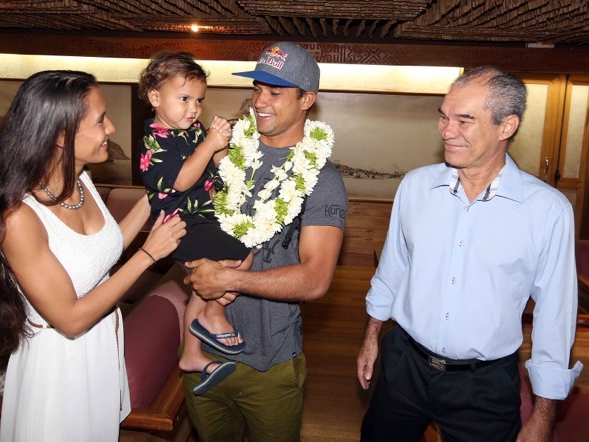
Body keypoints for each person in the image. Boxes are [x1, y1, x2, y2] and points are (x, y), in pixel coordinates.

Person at [357, 66, 583, 442]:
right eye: (444, 117)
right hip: (404, 365)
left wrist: (544, 414)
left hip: (485, 386)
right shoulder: (415, 187)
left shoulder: (547, 210)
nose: (447, 131)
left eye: (464, 120)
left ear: (506, 126)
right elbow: (394, 268)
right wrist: (371, 334)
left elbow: (555, 319)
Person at [0, 70, 187, 442]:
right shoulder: (18, 217)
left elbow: (107, 247)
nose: (111, 128)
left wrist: (162, 190)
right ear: (61, 136)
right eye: (100, 120)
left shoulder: (79, 179)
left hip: (99, 348)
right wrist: (149, 254)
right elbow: (69, 319)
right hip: (60, 366)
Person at [182, 42, 348, 442]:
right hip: (202, 355)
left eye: (275, 92)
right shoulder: (221, 154)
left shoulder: (324, 182)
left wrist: (229, 281)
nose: (260, 101)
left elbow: (315, 279)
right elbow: (177, 211)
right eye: (257, 89)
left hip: (270, 366)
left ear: (307, 99)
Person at [137, 51, 254, 395]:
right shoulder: (155, 139)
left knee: (201, 290)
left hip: (204, 218)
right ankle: (215, 314)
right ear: (155, 97)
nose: (193, 108)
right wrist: (208, 144)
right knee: (242, 253)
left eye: (199, 100)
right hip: (181, 225)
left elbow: (215, 164)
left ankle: (191, 354)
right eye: (184, 98)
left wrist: (225, 145)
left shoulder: (192, 131)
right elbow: (183, 180)